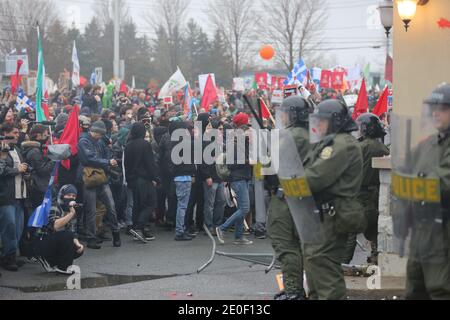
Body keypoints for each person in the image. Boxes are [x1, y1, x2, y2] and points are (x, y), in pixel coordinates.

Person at [302, 99, 365, 300]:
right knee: (314, 260)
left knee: (324, 262)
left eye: (322, 121)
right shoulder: (329, 141)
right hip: (323, 211)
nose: (317, 125)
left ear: (335, 121)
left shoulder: (341, 144)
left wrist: (289, 181)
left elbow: (316, 176)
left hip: (334, 212)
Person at [398, 84, 450, 299]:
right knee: (415, 288)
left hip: (444, 229)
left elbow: (444, 182)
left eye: (443, 108)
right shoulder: (428, 144)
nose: (435, 112)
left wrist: (413, 186)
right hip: (423, 228)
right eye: (433, 107)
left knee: (441, 289)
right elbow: (406, 173)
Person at [267, 96, 314, 300]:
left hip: (285, 198)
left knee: (286, 247)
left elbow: (271, 167)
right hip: (303, 197)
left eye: (285, 112)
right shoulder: (311, 135)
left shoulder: (290, 136)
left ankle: (294, 291)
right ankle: (296, 288)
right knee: (298, 246)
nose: (282, 116)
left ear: (293, 114)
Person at [343, 113, 390, 265]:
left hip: (359, 195)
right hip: (375, 194)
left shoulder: (360, 147)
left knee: (350, 230)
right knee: (374, 228)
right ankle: (376, 256)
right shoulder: (383, 148)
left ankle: (343, 263)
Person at [77, 121, 121, 249]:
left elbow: (105, 156)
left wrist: (108, 163)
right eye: (99, 134)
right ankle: (91, 238)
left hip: (101, 176)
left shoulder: (100, 141)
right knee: (91, 209)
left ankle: (115, 232)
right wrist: (107, 162)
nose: (100, 136)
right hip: (89, 177)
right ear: (94, 131)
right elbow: (88, 159)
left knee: (111, 207)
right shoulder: (83, 141)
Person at [216, 113, 253, 246]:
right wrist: (248, 161)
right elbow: (232, 164)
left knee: (242, 208)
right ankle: (222, 228)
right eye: (246, 126)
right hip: (238, 178)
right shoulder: (234, 141)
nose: (247, 129)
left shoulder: (242, 140)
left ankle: (238, 236)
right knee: (244, 208)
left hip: (244, 176)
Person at [32, 185, 84, 274]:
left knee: (77, 249)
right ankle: (62, 267)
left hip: (56, 240)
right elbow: (55, 226)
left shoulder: (70, 209)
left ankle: (54, 263)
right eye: (69, 195)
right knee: (67, 236)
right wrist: (71, 214)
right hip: (43, 240)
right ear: (62, 195)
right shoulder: (55, 205)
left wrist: (78, 244)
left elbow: (73, 231)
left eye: (74, 196)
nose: (71, 197)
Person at [0, 123, 29, 272]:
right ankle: (7, 257)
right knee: (9, 228)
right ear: (6, 133)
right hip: (6, 195)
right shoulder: (1, 149)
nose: (18, 135)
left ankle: (12, 255)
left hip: (20, 194)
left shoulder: (17, 149)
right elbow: (2, 171)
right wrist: (17, 170)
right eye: (15, 132)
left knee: (18, 228)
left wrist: (25, 171)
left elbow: (22, 167)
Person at [124, 123, 159, 242]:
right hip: (144, 179)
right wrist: (156, 178)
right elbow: (150, 163)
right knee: (150, 203)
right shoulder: (145, 144)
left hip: (133, 179)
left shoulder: (128, 145)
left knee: (138, 205)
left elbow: (126, 164)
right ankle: (139, 227)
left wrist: (128, 179)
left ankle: (137, 229)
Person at [169, 121, 196, 241]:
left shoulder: (174, 143)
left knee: (181, 205)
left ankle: (181, 229)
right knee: (182, 206)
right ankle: (180, 231)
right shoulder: (184, 144)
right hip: (184, 177)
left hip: (178, 177)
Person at [21, 124, 53, 210]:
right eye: (46, 135)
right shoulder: (34, 151)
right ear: (38, 135)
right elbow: (42, 170)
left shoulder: (36, 149)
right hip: (37, 188)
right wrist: (54, 160)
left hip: (37, 187)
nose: (47, 137)